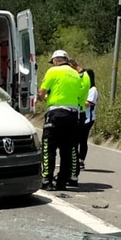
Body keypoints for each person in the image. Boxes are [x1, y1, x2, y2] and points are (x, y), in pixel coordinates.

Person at [38, 49, 87, 191]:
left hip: (56, 113)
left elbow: (41, 93)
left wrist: (44, 98)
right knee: (67, 149)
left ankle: (47, 180)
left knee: (49, 147)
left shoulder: (53, 71)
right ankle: (62, 182)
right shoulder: (76, 75)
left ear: (56, 60)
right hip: (72, 115)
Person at [79, 69, 98, 170]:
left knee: (82, 139)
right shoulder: (83, 88)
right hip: (80, 117)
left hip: (88, 119)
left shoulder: (93, 90)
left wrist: (77, 100)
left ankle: (81, 160)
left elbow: (88, 103)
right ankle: (76, 160)